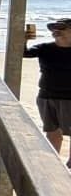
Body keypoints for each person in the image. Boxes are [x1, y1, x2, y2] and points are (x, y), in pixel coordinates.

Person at [26, 18, 71, 166]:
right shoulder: (44, 48)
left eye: (61, 29)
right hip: (46, 96)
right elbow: (23, 53)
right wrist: (23, 39)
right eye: (53, 29)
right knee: (52, 132)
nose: (56, 32)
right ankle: (54, 163)